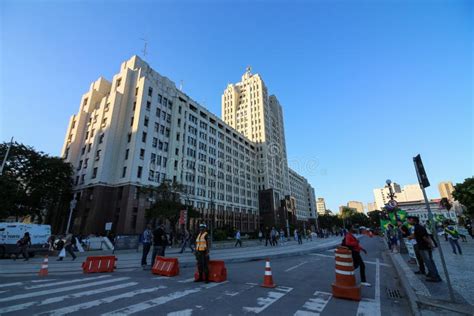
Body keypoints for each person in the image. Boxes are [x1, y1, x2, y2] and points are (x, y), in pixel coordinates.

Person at [408, 216, 441, 282]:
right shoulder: (419, 227)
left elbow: (425, 237)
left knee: (428, 262)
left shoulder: (418, 227)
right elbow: (418, 235)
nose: (408, 221)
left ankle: (435, 277)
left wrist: (431, 244)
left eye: (409, 220)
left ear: (412, 220)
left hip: (424, 247)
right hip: (424, 247)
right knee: (429, 261)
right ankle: (433, 274)